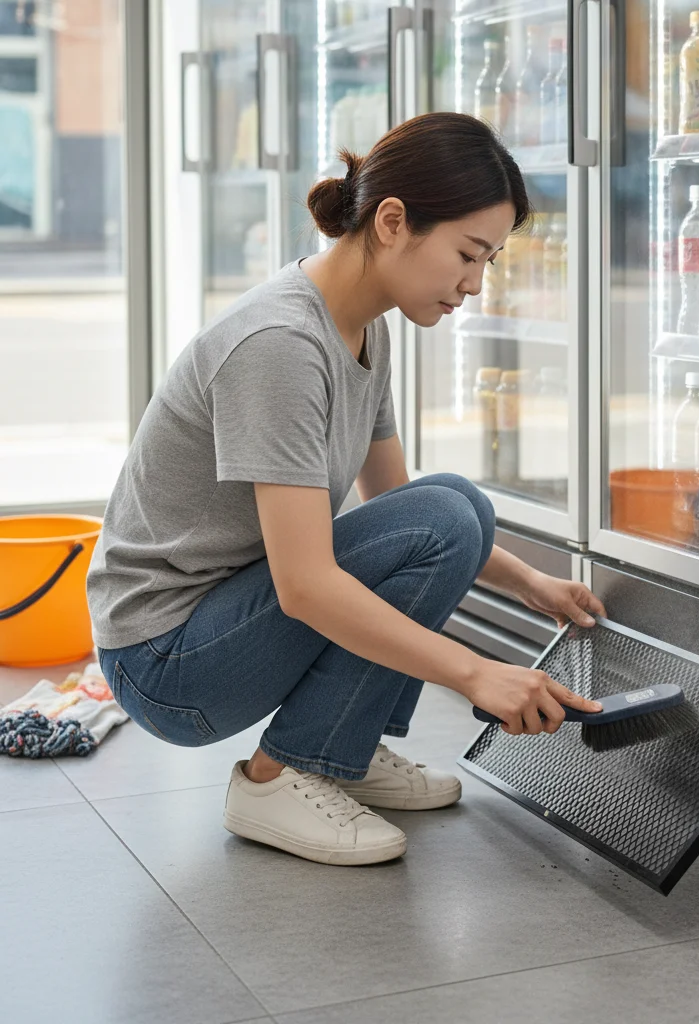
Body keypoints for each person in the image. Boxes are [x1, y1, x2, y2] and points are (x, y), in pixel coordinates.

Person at [86, 112, 605, 868]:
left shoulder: (364, 327)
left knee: (459, 504)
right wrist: (475, 674)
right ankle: (278, 777)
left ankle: (341, 748)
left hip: (222, 618)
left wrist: (529, 583)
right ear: (392, 221)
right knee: (445, 516)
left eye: (488, 260)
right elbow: (305, 586)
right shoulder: (281, 345)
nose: (475, 284)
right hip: (166, 661)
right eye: (467, 253)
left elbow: (400, 508)